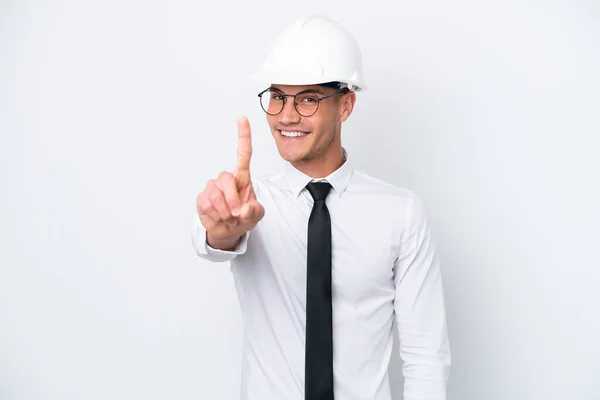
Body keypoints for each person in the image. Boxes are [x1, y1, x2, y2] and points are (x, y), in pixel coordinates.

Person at [191, 14, 451, 400]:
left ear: (345, 106)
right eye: (277, 96)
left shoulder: (401, 213)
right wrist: (222, 229)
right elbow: (215, 239)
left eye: (308, 98)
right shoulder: (250, 204)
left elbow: (425, 355)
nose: (287, 115)